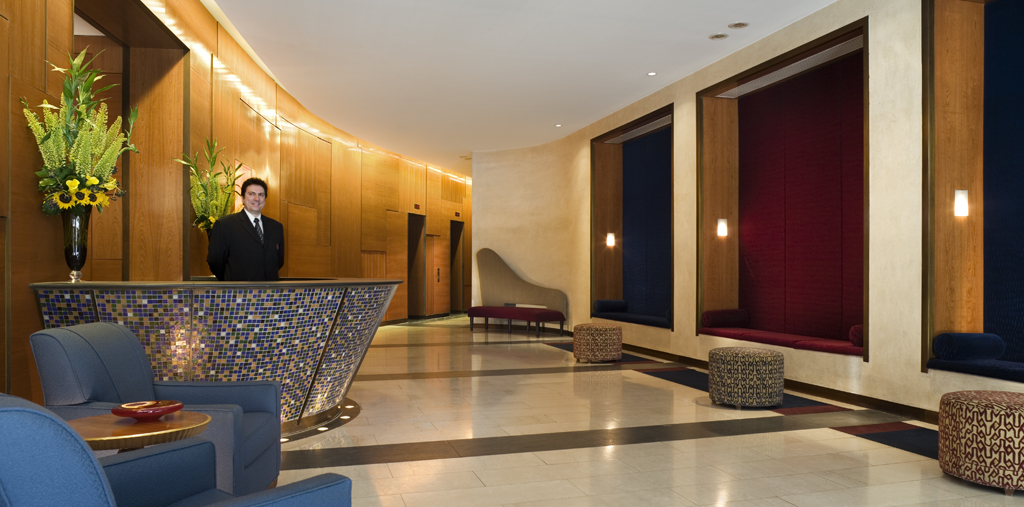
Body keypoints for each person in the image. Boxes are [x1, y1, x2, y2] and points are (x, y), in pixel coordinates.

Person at [207, 177, 284, 281]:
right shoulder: (225, 225)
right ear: (242, 198)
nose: (257, 198)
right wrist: (230, 280)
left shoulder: (276, 227)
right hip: (239, 288)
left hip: (270, 289)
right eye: (251, 194)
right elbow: (215, 261)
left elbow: (279, 261)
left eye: (261, 195)